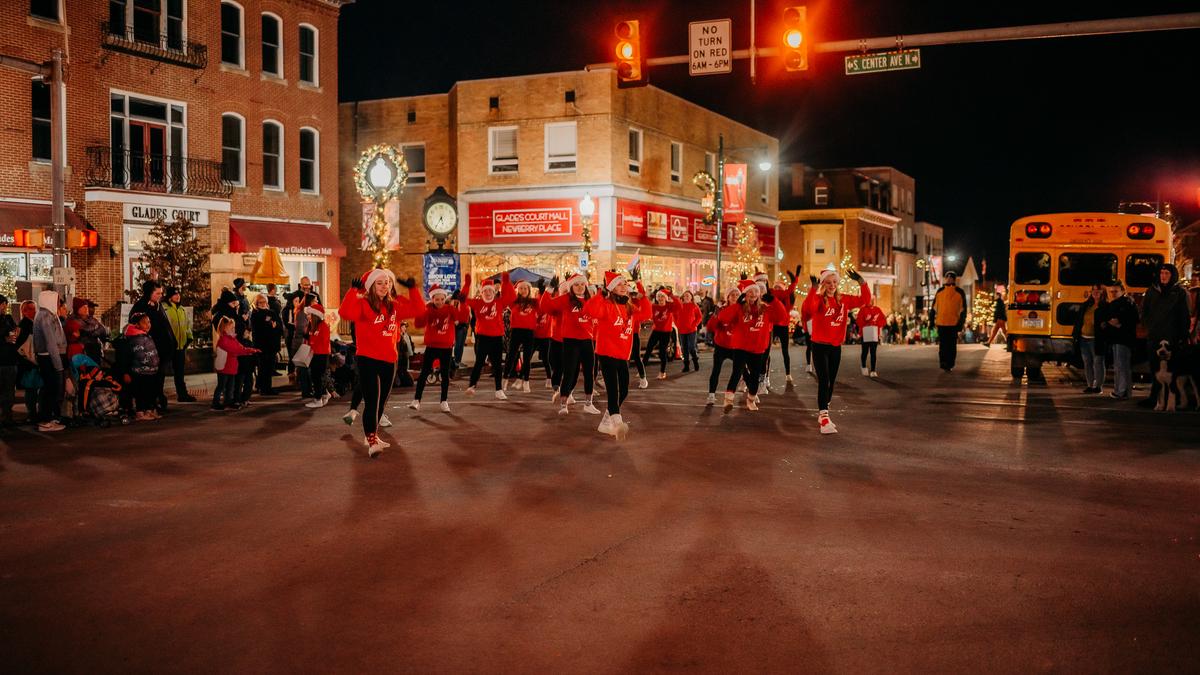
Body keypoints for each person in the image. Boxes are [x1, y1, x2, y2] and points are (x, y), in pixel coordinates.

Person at [339, 268, 423, 457]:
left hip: (389, 360)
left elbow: (419, 310)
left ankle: (373, 435)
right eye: (380, 282)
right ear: (371, 286)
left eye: (388, 282)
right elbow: (345, 312)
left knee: (382, 403)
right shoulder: (362, 304)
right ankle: (371, 440)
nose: (385, 286)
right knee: (372, 402)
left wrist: (413, 290)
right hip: (367, 359)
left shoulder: (395, 305)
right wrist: (353, 291)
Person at [803, 267, 871, 434]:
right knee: (824, 380)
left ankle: (824, 410)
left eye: (834, 282)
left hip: (835, 347)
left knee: (831, 383)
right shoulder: (818, 299)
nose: (832, 285)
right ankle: (824, 418)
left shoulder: (844, 299)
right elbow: (810, 308)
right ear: (823, 284)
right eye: (828, 282)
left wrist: (861, 282)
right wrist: (813, 289)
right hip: (819, 345)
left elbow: (865, 300)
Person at [585, 269, 651, 439]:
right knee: (613, 391)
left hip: (623, 354)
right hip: (607, 352)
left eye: (624, 284)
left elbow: (646, 313)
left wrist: (641, 290)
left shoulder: (629, 306)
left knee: (624, 391)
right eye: (619, 284)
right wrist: (601, 293)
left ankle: (606, 422)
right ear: (612, 288)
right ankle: (617, 422)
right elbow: (590, 310)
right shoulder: (606, 305)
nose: (623, 287)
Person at [716, 279, 788, 412]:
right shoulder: (739, 308)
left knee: (755, 377)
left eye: (756, 291)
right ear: (745, 294)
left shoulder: (765, 309)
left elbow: (782, 317)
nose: (754, 293)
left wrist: (774, 301)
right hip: (741, 347)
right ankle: (728, 399)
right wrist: (737, 305)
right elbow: (723, 317)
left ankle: (751, 399)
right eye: (750, 291)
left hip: (758, 348)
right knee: (737, 372)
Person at [540, 272, 602, 415]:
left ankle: (588, 403)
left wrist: (602, 293)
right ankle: (563, 404)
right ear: (571, 287)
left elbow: (600, 311)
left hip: (587, 340)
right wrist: (549, 289)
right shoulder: (566, 299)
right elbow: (545, 307)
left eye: (582, 284)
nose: (580, 287)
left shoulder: (590, 300)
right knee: (569, 372)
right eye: (576, 284)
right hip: (570, 341)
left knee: (589, 372)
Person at [408, 285, 469, 413]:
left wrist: (463, 303)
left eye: (442, 299)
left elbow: (461, 318)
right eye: (437, 299)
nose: (440, 302)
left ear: (445, 298)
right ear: (432, 299)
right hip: (431, 347)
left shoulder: (450, 309)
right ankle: (417, 400)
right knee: (424, 373)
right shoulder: (428, 310)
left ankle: (444, 401)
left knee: (445, 375)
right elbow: (419, 324)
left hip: (446, 348)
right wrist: (422, 310)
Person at [1139, 263, 1190, 408]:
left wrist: (1182, 335)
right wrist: (1148, 326)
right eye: (1162, 273)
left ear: (1172, 275)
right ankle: (1155, 398)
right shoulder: (1152, 291)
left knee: (1172, 371)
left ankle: (1174, 399)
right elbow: (1144, 311)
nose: (1163, 276)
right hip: (1154, 336)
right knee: (1155, 369)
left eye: (1167, 273)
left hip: (1171, 338)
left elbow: (1184, 315)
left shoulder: (1179, 293)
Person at [464, 273, 514, 399]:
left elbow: (511, 297)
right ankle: (472, 385)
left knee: (497, 364)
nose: (487, 293)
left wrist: (506, 282)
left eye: (490, 291)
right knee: (479, 363)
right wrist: (467, 284)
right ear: (482, 292)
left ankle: (499, 390)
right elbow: (463, 299)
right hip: (483, 338)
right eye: (485, 291)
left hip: (497, 337)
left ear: (494, 292)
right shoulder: (477, 303)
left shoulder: (499, 302)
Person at [131, 280, 176, 412]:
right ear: (148, 293)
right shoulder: (140, 307)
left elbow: (165, 325)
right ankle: (149, 404)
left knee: (160, 377)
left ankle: (157, 400)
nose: (160, 296)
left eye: (161, 293)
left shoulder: (158, 306)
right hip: (149, 350)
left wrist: (172, 341)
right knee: (150, 379)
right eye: (157, 293)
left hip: (163, 349)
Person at [31, 290, 67, 432]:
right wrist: (58, 365)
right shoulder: (46, 316)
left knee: (49, 389)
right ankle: (45, 420)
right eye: (57, 300)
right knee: (50, 389)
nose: (58, 303)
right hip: (49, 357)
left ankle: (48, 419)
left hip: (48, 356)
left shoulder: (47, 315)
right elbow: (51, 342)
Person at [1096, 280, 1138, 400]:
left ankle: (1121, 391)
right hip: (1117, 339)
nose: (1113, 293)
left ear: (1123, 291)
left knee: (1121, 366)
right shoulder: (1117, 303)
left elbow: (1132, 319)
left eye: (1116, 291)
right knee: (1120, 365)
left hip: (1123, 339)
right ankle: (1123, 390)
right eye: (1111, 291)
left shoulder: (1127, 303)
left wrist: (1119, 323)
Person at [118, 312, 162, 421]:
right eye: (144, 322)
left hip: (151, 371)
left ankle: (148, 410)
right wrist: (126, 372)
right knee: (141, 392)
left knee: (149, 392)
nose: (148, 324)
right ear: (137, 325)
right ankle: (140, 412)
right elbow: (126, 357)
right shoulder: (132, 339)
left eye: (149, 322)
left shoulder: (146, 336)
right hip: (139, 371)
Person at [212, 316, 258, 411]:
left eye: (234, 327)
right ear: (225, 328)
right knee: (221, 386)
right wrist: (249, 351)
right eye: (231, 327)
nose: (234, 329)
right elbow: (235, 350)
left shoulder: (232, 339)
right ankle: (215, 403)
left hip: (232, 367)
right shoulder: (223, 339)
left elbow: (240, 348)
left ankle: (228, 402)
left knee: (230, 387)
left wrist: (251, 350)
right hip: (224, 367)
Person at [705, 287, 742, 405]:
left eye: (737, 294)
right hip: (721, 345)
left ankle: (750, 390)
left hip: (736, 346)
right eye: (732, 294)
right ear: (728, 297)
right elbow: (710, 327)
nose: (735, 296)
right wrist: (716, 315)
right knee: (716, 370)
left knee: (742, 370)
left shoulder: (742, 309)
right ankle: (711, 394)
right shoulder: (721, 309)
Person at [504, 278, 539, 392]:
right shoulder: (514, 302)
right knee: (511, 356)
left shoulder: (534, 302)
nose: (523, 290)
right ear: (518, 290)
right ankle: (504, 380)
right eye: (521, 288)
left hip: (529, 332)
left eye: (525, 288)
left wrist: (545, 290)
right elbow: (507, 292)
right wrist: (506, 280)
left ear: (529, 290)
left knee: (527, 358)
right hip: (516, 331)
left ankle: (526, 381)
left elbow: (544, 306)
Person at [1071, 285, 1107, 394]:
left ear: (1103, 292)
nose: (1095, 292)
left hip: (1097, 339)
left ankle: (1098, 386)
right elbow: (1079, 320)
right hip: (1083, 338)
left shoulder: (1105, 306)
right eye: (1093, 290)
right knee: (1087, 363)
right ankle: (1090, 385)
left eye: (1098, 290)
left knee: (1098, 363)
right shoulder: (1086, 305)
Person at [162, 288, 195, 402]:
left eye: (178, 294)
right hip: (167, 345)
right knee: (161, 373)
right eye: (175, 294)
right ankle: (159, 396)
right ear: (169, 296)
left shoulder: (182, 309)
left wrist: (189, 338)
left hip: (181, 346)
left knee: (180, 373)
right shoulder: (164, 308)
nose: (178, 296)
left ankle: (182, 394)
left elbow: (186, 325)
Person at [771, 267, 802, 384]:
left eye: (780, 287)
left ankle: (788, 373)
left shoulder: (787, 296)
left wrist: (795, 277)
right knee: (766, 351)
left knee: (785, 351)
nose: (777, 289)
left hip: (783, 325)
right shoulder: (772, 295)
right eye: (776, 287)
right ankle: (765, 375)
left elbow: (792, 288)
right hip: (773, 325)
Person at [931, 272, 967, 372]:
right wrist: (931, 321)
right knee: (943, 345)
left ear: (954, 279)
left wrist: (960, 323)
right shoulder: (940, 291)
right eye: (947, 277)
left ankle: (950, 363)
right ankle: (943, 362)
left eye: (951, 278)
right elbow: (934, 308)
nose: (949, 279)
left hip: (953, 323)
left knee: (951, 345)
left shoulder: (959, 292)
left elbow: (963, 310)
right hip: (942, 323)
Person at [250, 293, 282, 396]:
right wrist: (270, 326)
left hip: (272, 344)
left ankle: (265, 386)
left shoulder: (272, 312)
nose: (263, 304)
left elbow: (279, 325)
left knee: (269, 367)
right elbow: (258, 329)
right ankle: (264, 388)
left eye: (264, 302)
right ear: (257, 303)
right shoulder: (255, 314)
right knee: (263, 367)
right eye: (261, 302)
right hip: (261, 344)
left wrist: (274, 326)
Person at [644, 288, 680, 380]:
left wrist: (671, 295)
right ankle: (642, 370)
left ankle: (662, 372)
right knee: (648, 349)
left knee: (662, 352)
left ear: (665, 298)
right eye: (658, 296)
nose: (660, 298)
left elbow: (679, 305)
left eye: (662, 296)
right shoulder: (654, 306)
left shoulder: (669, 307)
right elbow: (647, 311)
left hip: (666, 332)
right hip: (656, 331)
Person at [303, 303, 331, 408]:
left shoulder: (323, 325)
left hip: (321, 355)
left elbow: (323, 341)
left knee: (317, 377)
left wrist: (312, 342)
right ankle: (324, 394)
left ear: (315, 315)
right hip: (314, 354)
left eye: (309, 314)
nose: (307, 316)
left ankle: (318, 399)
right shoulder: (311, 325)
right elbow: (310, 339)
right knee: (315, 376)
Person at [673, 290, 703, 373]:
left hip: (691, 330)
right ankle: (686, 366)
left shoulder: (694, 306)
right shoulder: (679, 306)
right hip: (682, 330)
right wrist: (677, 324)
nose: (686, 297)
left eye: (688, 296)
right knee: (684, 348)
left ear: (691, 298)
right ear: (682, 297)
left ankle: (695, 361)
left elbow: (699, 317)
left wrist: (694, 324)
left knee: (691, 347)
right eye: (685, 296)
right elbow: (674, 315)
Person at [0, 295, 19, 426]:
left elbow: (14, 330)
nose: (4, 307)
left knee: (10, 390)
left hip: (10, 360)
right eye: (2, 304)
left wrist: (16, 331)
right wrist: (4, 340)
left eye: (5, 304)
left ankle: (8, 416)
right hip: (0, 360)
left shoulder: (7, 318)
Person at [857, 301, 886, 378]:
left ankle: (873, 370)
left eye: (873, 300)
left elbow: (883, 320)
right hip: (865, 333)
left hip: (874, 333)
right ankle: (863, 366)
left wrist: (877, 324)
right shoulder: (863, 309)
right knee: (865, 352)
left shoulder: (877, 309)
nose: (871, 302)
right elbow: (858, 321)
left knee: (873, 352)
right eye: (869, 300)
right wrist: (866, 320)